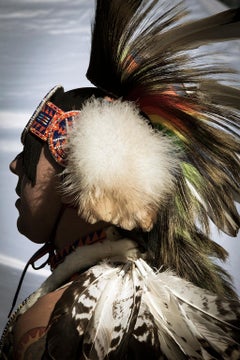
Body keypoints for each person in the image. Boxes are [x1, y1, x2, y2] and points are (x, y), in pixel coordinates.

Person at [1, 0, 240, 359]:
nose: (16, 167)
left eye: (31, 151)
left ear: (80, 173)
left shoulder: (61, 322)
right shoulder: (133, 298)